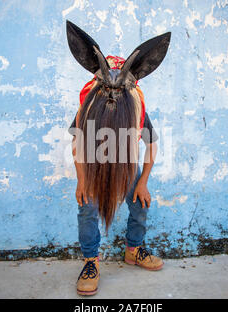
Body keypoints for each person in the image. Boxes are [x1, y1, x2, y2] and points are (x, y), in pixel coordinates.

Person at [66, 20, 171, 296]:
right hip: (93, 164)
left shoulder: (135, 109)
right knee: (86, 204)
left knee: (141, 202)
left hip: (126, 165)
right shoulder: (88, 107)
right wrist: (82, 181)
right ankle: (91, 262)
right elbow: (77, 144)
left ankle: (133, 250)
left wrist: (143, 182)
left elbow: (152, 145)